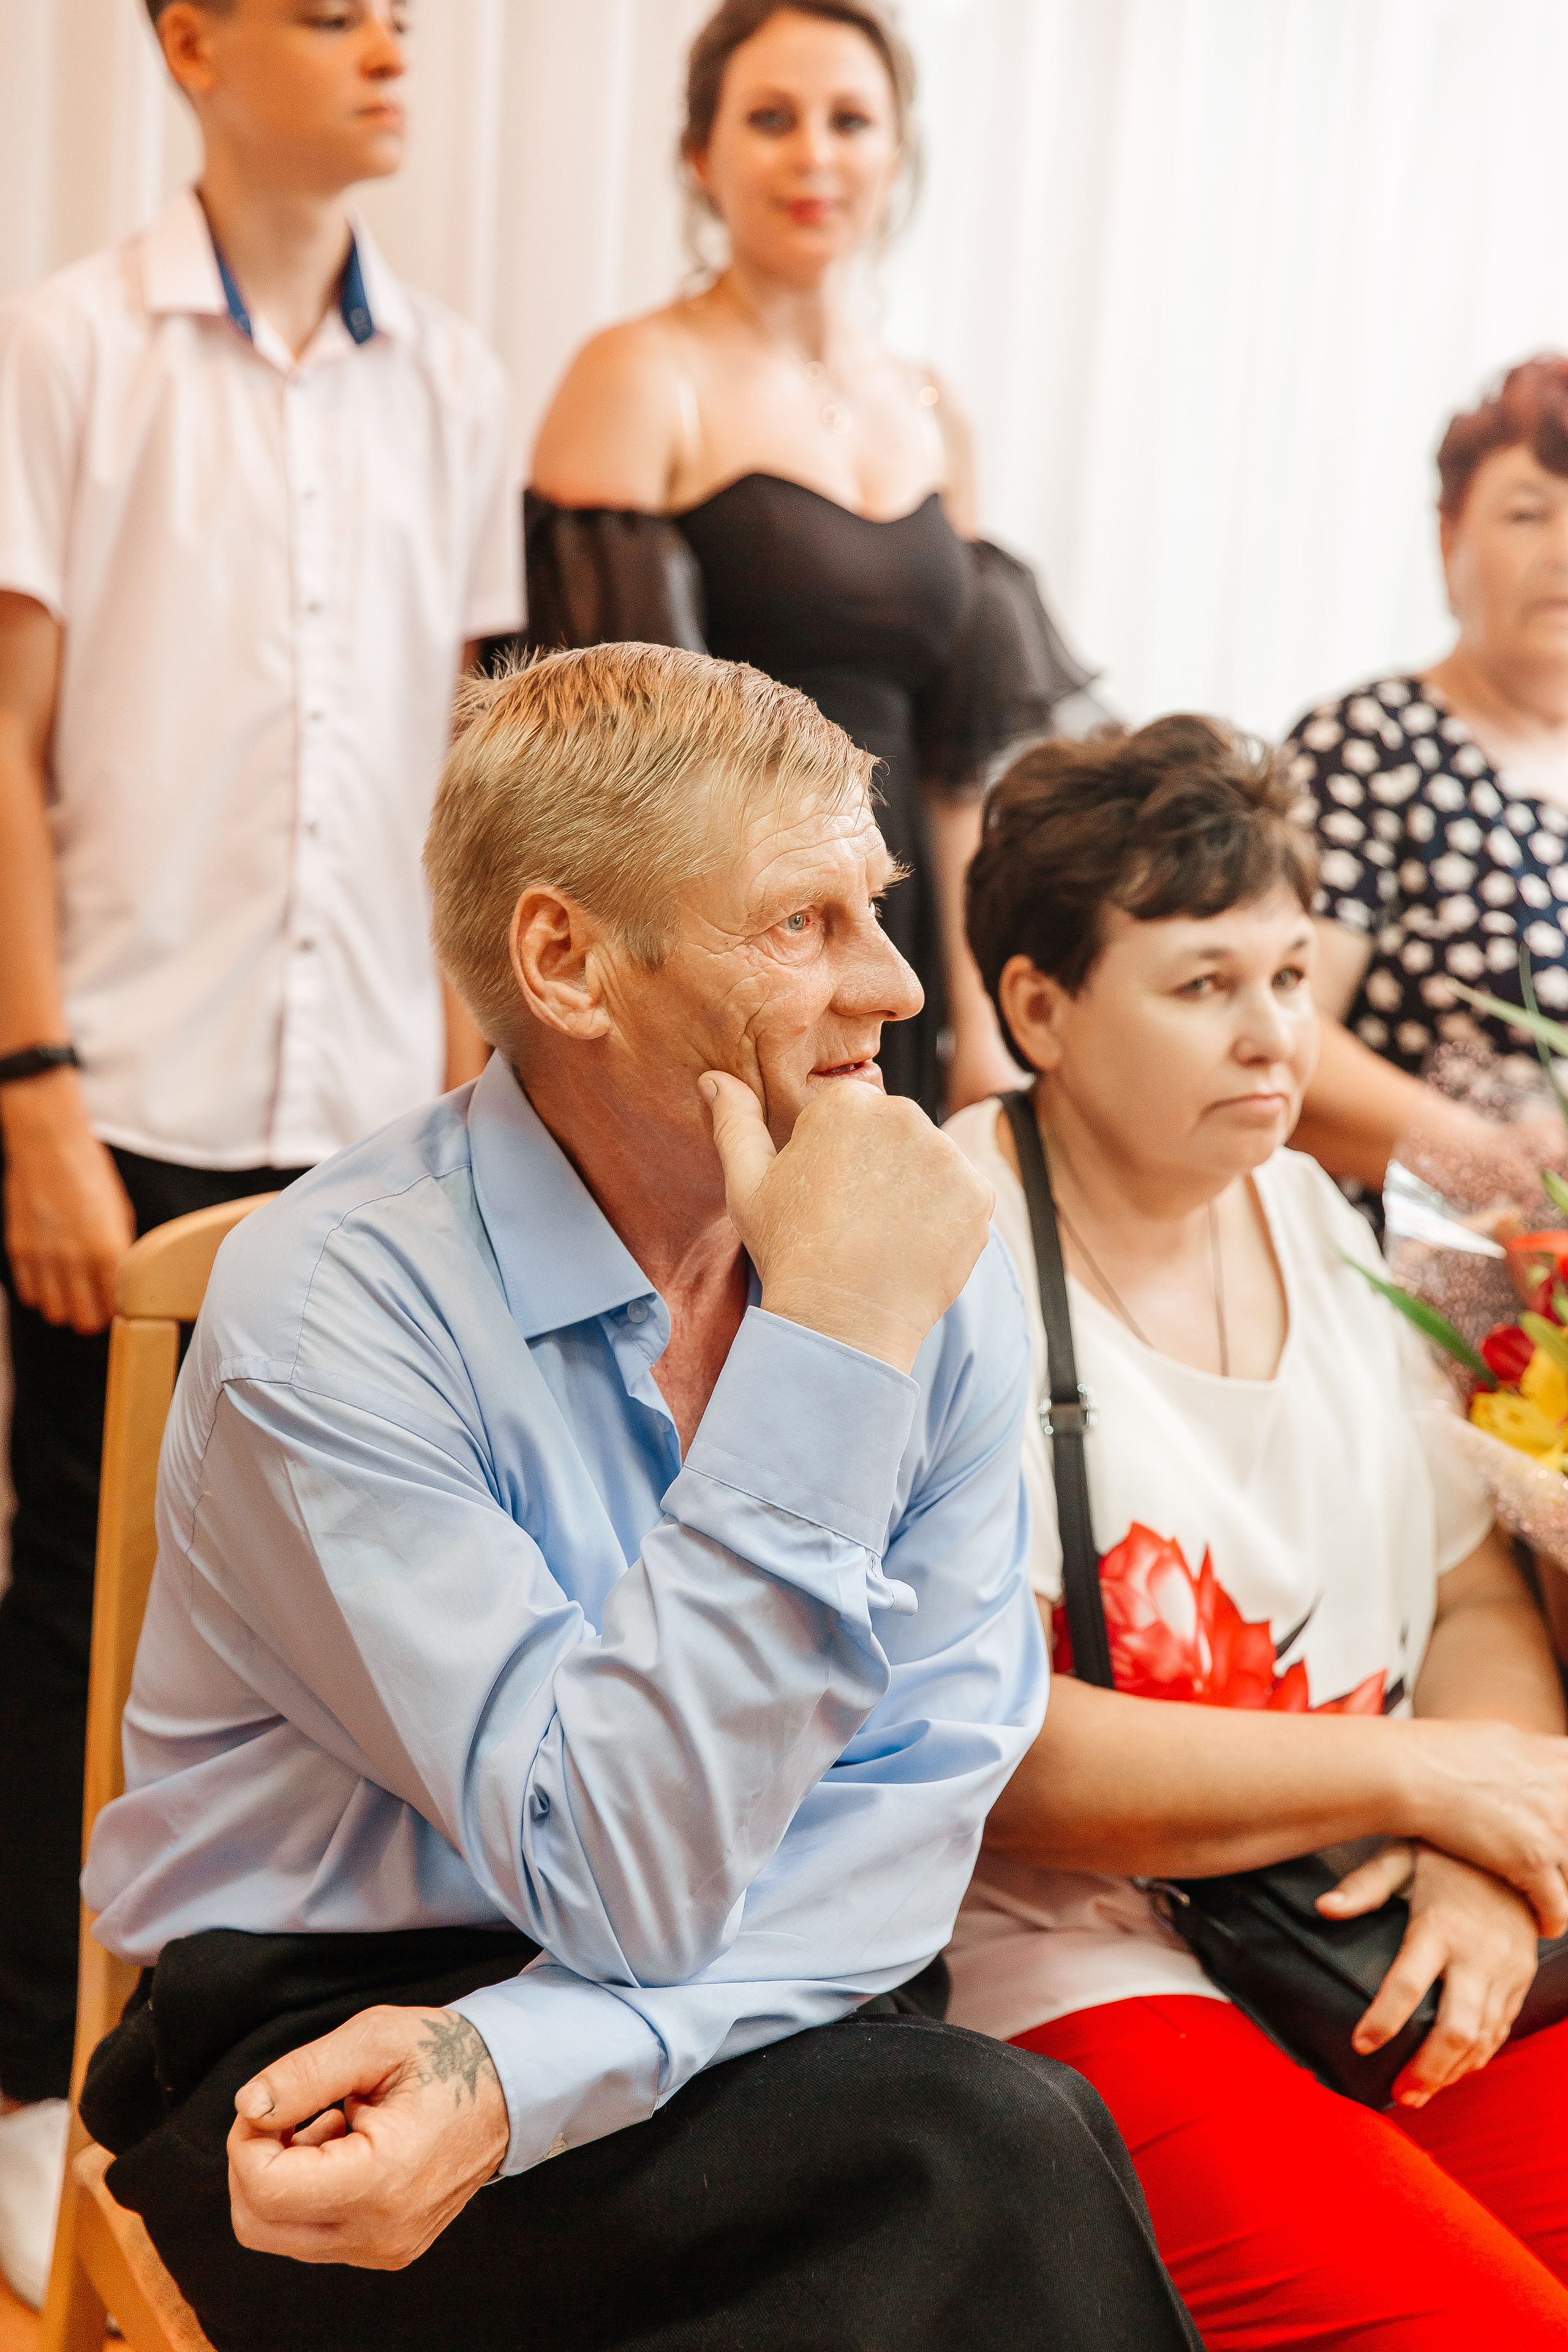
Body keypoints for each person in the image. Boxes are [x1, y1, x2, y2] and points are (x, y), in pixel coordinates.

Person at [73, 645, 1202, 2352]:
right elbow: (605, 1868)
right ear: (567, 959)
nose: (897, 984)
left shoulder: (918, 1260)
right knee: (984, 2163)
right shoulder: (333, 1308)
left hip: (773, 1997)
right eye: (802, 923)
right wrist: (825, 1356)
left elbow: (914, 1817)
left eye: (876, 906)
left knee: (971, 2163)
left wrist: (523, 2073)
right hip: (326, 2059)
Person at [0, 0, 519, 2305]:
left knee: (323, 1649)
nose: (392, 47)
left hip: (370, 1141)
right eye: (336, 13)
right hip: (116, 1090)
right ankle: (38, 2091)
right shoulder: (67, 347)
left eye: (406, 15)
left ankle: (269, 2075)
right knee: (64, 1634)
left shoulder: (459, 379)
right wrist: (25, 1093)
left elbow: (463, 793)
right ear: (192, 42)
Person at [943, 715, 1568, 2350]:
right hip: (1082, 1962)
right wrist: (1419, 1779)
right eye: (1204, 985)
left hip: (1356, 1919)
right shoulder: (949, 1260)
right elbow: (988, 1757)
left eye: (1293, 977)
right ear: (1039, 1010)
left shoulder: (1327, 1223)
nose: (1275, 1037)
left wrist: (1484, 1865)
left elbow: (1470, 1593)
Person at [526, 0, 1097, 1123]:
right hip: (712, 930)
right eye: (773, 118)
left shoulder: (937, 413)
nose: (815, 156)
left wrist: (975, 1021)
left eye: (851, 121)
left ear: (898, 152)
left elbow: (954, 768)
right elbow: (571, 750)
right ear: (702, 153)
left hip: (899, 932)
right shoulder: (640, 373)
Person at [1287, 355, 1568, 1198]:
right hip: (1411, 1275)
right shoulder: (1366, 745)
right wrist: (1500, 1164)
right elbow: (1277, 1027)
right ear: (1449, 538)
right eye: (1529, 514)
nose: (1562, 552)